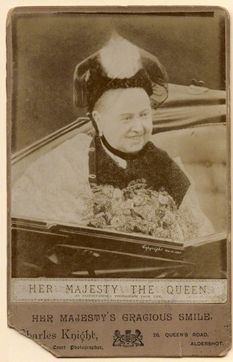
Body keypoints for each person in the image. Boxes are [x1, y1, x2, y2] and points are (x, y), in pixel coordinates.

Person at [12, 33, 214, 240]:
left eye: (144, 115)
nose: (139, 127)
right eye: (126, 118)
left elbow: (199, 238)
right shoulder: (68, 164)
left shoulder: (165, 165)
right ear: (98, 120)